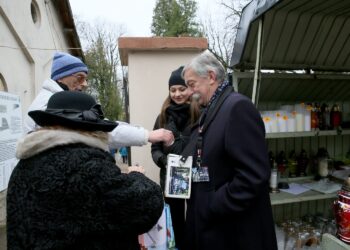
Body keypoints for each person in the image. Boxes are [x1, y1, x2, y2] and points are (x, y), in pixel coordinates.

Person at [7, 91, 164, 250]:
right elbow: (147, 205)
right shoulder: (87, 166)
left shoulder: (23, 165)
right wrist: (136, 175)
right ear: (90, 130)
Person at [181, 51, 277, 250]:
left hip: (234, 231)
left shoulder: (238, 108)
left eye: (192, 84)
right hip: (216, 225)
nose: (189, 92)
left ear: (211, 77)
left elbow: (254, 175)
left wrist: (213, 203)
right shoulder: (212, 109)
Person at [24, 51, 174, 148]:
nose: (84, 84)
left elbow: (103, 124)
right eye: (79, 78)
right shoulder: (50, 104)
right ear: (61, 76)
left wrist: (142, 132)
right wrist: (147, 135)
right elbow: (99, 130)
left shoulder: (54, 99)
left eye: (86, 79)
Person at [151, 66, 200, 250]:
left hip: (195, 177)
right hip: (172, 180)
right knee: (176, 221)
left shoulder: (200, 113)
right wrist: (163, 161)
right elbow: (155, 148)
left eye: (182, 89)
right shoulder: (162, 117)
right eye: (173, 90)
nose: (177, 94)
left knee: (196, 219)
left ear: (189, 89)